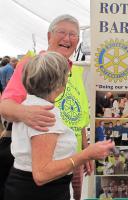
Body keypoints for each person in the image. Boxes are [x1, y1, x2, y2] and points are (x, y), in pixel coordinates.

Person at [0, 15, 91, 200]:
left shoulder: (75, 70)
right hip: (40, 166)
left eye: (73, 35)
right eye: (62, 32)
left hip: (70, 159)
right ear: (49, 36)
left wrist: (84, 150)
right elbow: (5, 105)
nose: (67, 38)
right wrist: (25, 113)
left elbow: (80, 116)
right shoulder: (33, 64)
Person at [3, 52, 114, 200]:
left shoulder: (28, 106)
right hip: (41, 192)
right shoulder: (45, 113)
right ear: (59, 83)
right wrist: (87, 154)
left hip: (25, 187)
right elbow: (41, 174)